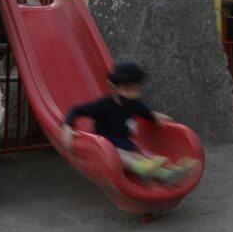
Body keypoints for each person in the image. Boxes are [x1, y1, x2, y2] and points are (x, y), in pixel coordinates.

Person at [61, 61, 198, 184]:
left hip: (125, 142)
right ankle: (144, 169)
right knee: (122, 156)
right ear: (114, 89)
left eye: (136, 90)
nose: (133, 94)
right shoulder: (101, 106)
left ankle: (168, 174)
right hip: (106, 146)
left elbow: (143, 110)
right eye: (128, 90)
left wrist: (153, 115)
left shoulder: (132, 103)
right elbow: (76, 110)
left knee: (142, 156)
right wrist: (68, 126)